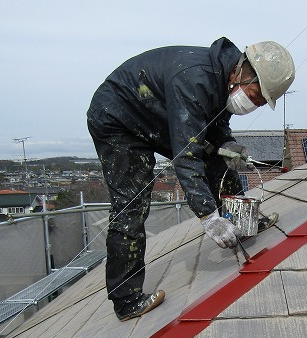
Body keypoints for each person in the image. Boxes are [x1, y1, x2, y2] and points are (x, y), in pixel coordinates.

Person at [87, 37, 295, 322]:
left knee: (219, 157)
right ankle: (126, 299)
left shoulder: (222, 79)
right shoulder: (194, 80)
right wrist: (209, 217)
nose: (254, 105)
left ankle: (241, 221)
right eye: (256, 95)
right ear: (243, 73)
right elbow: (187, 156)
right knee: (131, 204)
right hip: (118, 119)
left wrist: (227, 144)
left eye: (261, 103)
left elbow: (214, 124)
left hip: (154, 112)